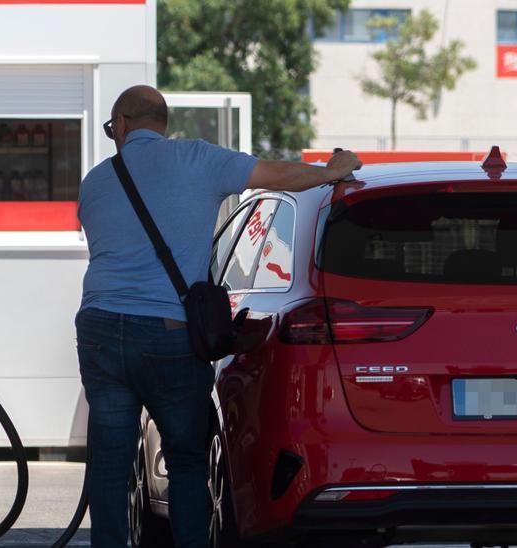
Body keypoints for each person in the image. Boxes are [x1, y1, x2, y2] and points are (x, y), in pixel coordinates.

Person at [75, 85, 362, 548]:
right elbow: (279, 175)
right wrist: (333, 171)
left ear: (122, 125)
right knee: (186, 460)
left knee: (110, 462)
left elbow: (103, 245)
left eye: (112, 129)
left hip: (100, 329)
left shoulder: (96, 181)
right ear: (162, 123)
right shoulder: (198, 159)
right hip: (168, 333)